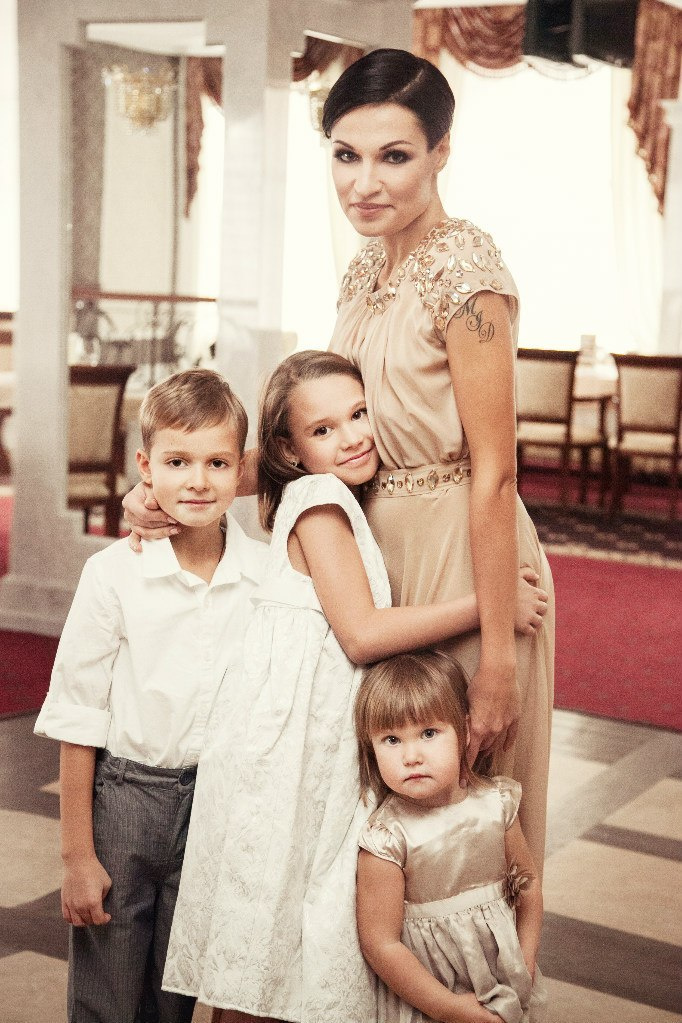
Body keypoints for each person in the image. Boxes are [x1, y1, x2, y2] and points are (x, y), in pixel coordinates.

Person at [161, 350, 548, 1023]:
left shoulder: (327, 493)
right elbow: (362, 634)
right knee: (266, 934)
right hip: (287, 754)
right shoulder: (318, 502)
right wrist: (491, 603)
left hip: (301, 741)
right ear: (290, 449)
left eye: (360, 414)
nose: (352, 437)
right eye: (324, 429)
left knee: (277, 939)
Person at [322, 48, 555, 874]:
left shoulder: (469, 272)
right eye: (346, 155)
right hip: (379, 560)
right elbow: (321, 424)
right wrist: (180, 488)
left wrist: (497, 658)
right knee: (385, 825)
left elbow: (495, 471)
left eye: (394, 156)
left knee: (463, 830)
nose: (364, 183)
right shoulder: (363, 268)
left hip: (465, 550)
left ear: (441, 151)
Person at [34, 369, 267, 1023]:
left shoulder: (265, 575)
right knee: (106, 996)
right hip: (128, 800)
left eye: (218, 462)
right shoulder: (112, 575)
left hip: (218, 805)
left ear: (241, 470)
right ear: (146, 467)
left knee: (174, 995)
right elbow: (79, 715)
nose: (198, 480)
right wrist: (77, 856)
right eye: (177, 461)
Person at [354, 650, 547, 1023]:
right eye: (391, 739)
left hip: (505, 982)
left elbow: (528, 884)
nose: (411, 756)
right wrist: (449, 1008)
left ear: (465, 731)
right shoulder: (386, 839)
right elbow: (381, 945)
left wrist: (524, 963)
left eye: (429, 733)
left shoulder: (496, 804)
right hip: (430, 998)